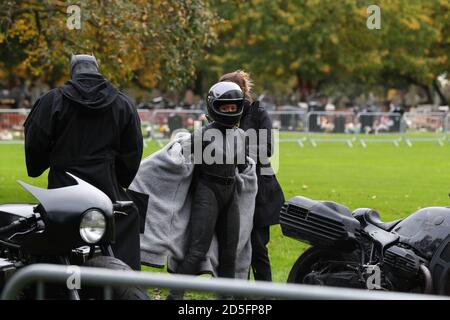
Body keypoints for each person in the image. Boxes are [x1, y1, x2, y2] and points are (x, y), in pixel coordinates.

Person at [23, 54, 143, 270]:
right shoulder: (122, 103)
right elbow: (132, 153)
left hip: (62, 191)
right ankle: (126, 280)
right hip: (107, 190)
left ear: (73, 71)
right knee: (128, 214)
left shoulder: (52, 101)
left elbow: (35, 145)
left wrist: (39, 165)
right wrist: (119, 178)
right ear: (97, 69)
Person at [167, 81, 248, 299]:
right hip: (207, 192)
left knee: (230, 254)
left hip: (230, 195)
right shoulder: (203, 134)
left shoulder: (240, 135)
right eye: (225, 107)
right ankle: (175, 296)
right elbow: (178, 156)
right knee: (197, 251)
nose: (230, 110)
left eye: (233, 107)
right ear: (214, 106)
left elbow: (243, 166)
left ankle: (227, 299)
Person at [219, 70, 285, 282]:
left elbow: (266, 149)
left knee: (257, 247)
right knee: (233, 247)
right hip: (230, 189)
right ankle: (239, 293)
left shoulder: (258, 113)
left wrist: (235, 145)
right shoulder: (219, 113)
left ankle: (265, 294)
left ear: (242, 91)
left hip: (259, 191)